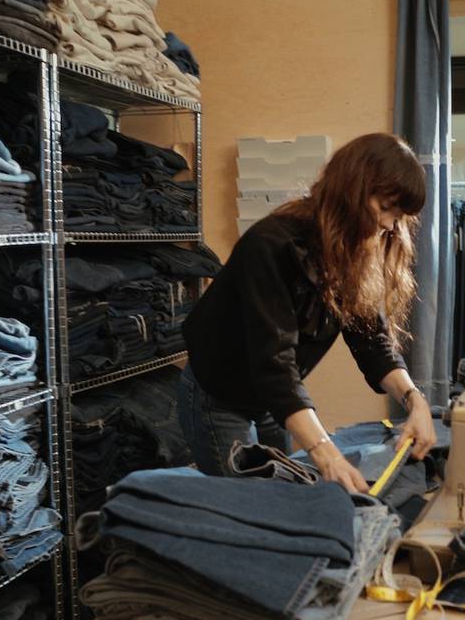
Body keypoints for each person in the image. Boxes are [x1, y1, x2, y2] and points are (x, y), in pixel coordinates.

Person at [178, 133, 439, 493]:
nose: (391, 226)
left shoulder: (351, 250)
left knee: (285, 495)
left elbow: (371, 342)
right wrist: (325, 452)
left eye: (399, 216)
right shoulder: (270, 246)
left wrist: (416, 403)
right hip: (219, 398)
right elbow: (274, 361)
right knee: (250, 512)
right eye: (385, 208)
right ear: (352, 190)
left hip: (271, 399)